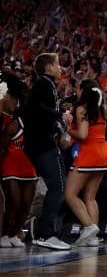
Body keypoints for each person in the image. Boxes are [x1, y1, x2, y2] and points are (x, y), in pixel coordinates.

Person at [22, 53, 71, 250]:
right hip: (41, 143)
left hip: (39, 142)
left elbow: (40, 111)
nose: (60, 68)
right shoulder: (45, 84)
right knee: (58, 184)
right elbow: (36, 110)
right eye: (58, 64)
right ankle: (46, 233)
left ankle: (42, 229)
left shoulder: (45, 85)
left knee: (58, 184)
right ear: (49, 67)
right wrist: (60, 116)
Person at [65, 80, 107, 247]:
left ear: (82, 90)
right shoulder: (100, 110)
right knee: (90, 197)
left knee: (70, 195)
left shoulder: (81, 108)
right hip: (103, 155)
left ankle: (89, 226)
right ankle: (92, 238)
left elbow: (83, 134)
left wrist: (68, 128)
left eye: (77, 88)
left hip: (88, 154)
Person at [0, 75, 34, 248]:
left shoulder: (36, 125)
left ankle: (14, 233)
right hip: (11, 165)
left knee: (27, 202)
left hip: (30, 167)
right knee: (15, 200)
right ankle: (4, 233)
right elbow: (2, 147)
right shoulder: (14, 124)